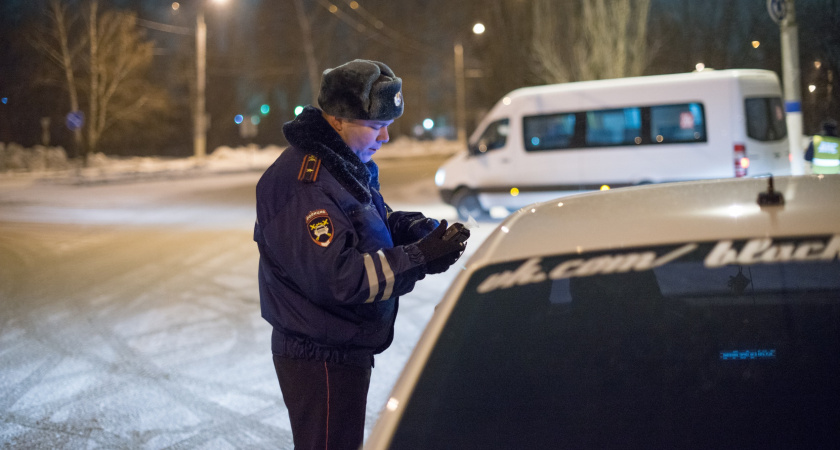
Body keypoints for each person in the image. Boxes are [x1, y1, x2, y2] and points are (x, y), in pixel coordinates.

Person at [253, 59, 470, 450]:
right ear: (337, 120)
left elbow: (370, 220)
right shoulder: (307, 183)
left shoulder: (345, 165)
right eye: (375, 126)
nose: (385, 137)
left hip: (340, 346)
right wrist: (420, 257)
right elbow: (341, 277)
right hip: (319, 355)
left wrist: (416, 230)